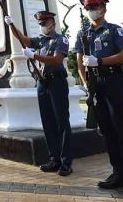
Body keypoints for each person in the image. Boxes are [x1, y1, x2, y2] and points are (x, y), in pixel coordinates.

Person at [74, 0, 123, 195]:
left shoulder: (114, 30)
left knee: (122, 129)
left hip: (113, 80)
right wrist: (86, 83)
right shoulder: (83, 33)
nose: (92, 10)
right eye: (89, 7)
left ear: (104, 8)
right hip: (95, 84)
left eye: (95, 6)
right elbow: (80, 61)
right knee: (107, 131)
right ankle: (117, 173)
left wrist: (101, 62)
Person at [5, 11, 73, 176]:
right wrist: (11, 25)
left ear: (52, 23)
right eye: (40, 24)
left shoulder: (60, 39)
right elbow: (23, 40)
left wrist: (34, 55)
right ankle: (54, 159)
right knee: (48, 121)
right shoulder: (40, 41)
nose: (43, 27)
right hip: (42, 83)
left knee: (61, 121)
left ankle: (66, 162)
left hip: (56, 81)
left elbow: (57, 60)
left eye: (45, 23)